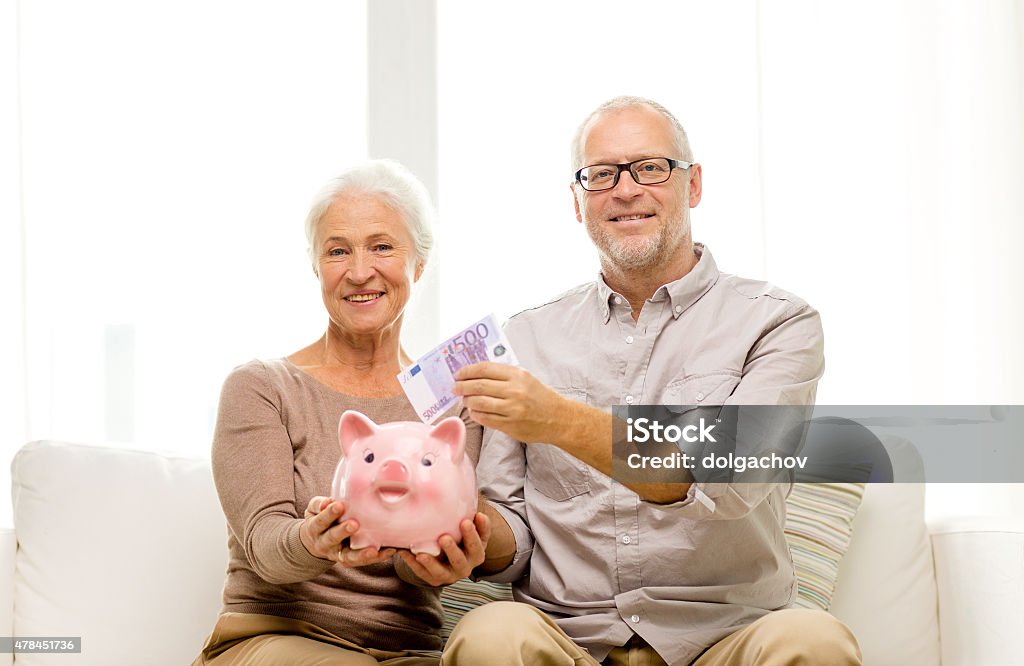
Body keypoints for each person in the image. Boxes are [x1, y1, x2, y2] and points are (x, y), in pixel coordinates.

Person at [445, 97, 862, 665]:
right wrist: (460, 534)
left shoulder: (778, 323)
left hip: (725, 639)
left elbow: (728, 479)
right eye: (601, 175)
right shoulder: (525, 338)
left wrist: (558, 419)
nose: (625, 189)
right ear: (577, 201)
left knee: (815, 642)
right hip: (569, 641)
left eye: (650, 167)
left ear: (692, 185)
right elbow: (512, 538)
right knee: (490, 632)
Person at [193, 160, 490, 665]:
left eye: (381, 246)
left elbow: (415, 564)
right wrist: (314, 540)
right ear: (315, 266)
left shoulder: (451, 402)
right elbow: (265, 547)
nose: (358, 271)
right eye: (337, 251)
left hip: (408, 651)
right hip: (277, 637)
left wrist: (436, 559)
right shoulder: (263, 386)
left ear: (419, 263)